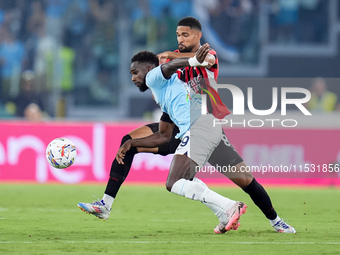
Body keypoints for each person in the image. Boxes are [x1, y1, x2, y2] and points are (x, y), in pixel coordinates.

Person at [78, 17, 295, 234]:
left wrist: (173, 57)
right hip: (185, 125)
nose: (180, 39)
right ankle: (105, 204)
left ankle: (274, 221)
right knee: (132, 143)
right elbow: (169, 86)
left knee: (245, 180)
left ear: (198, 35)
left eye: (185, 35)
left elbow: (203, 60)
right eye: (178, 35)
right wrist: (171, 59)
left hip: (204, 123)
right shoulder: (169, 74)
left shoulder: (205, 54)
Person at [82, 44, 248, 232]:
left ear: (149, 70)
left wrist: (194, 61)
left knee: (173, 183)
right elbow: (163, 136)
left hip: (201, 129)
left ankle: (230, 206)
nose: (133, 78)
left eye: (135, 72)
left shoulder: (153, 77)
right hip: (203, 129)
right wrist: (132, 143)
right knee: (187, 179)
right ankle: (223, 214)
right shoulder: (166, 94)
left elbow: (170, 65)